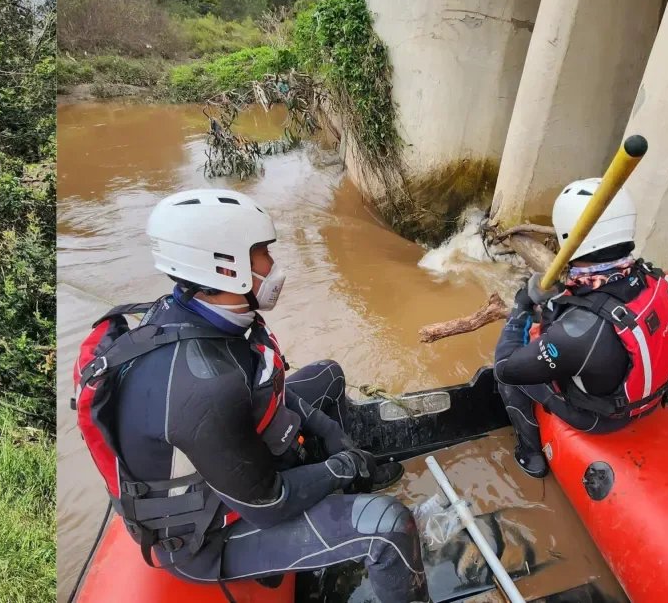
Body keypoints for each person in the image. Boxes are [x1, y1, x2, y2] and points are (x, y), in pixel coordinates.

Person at [73, 189, 428, 602]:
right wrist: (343, 466)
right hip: (205, 537)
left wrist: (331, 433)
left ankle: (351, 486)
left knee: (328, 375)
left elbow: (266, 384)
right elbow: (270, 501)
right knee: (389, 527)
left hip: (227, 455)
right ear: (226, 267)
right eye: (262, 254)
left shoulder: (199, 315)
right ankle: (355, 502)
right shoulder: (204, 387)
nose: (274, 266)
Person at [495, 178, 668, 478]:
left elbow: (506, 368)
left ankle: (531, 454)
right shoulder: (659, 280)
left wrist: (522, 306)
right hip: (651, 400)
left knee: (506, 377)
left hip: (603, 418)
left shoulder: (578, 331)